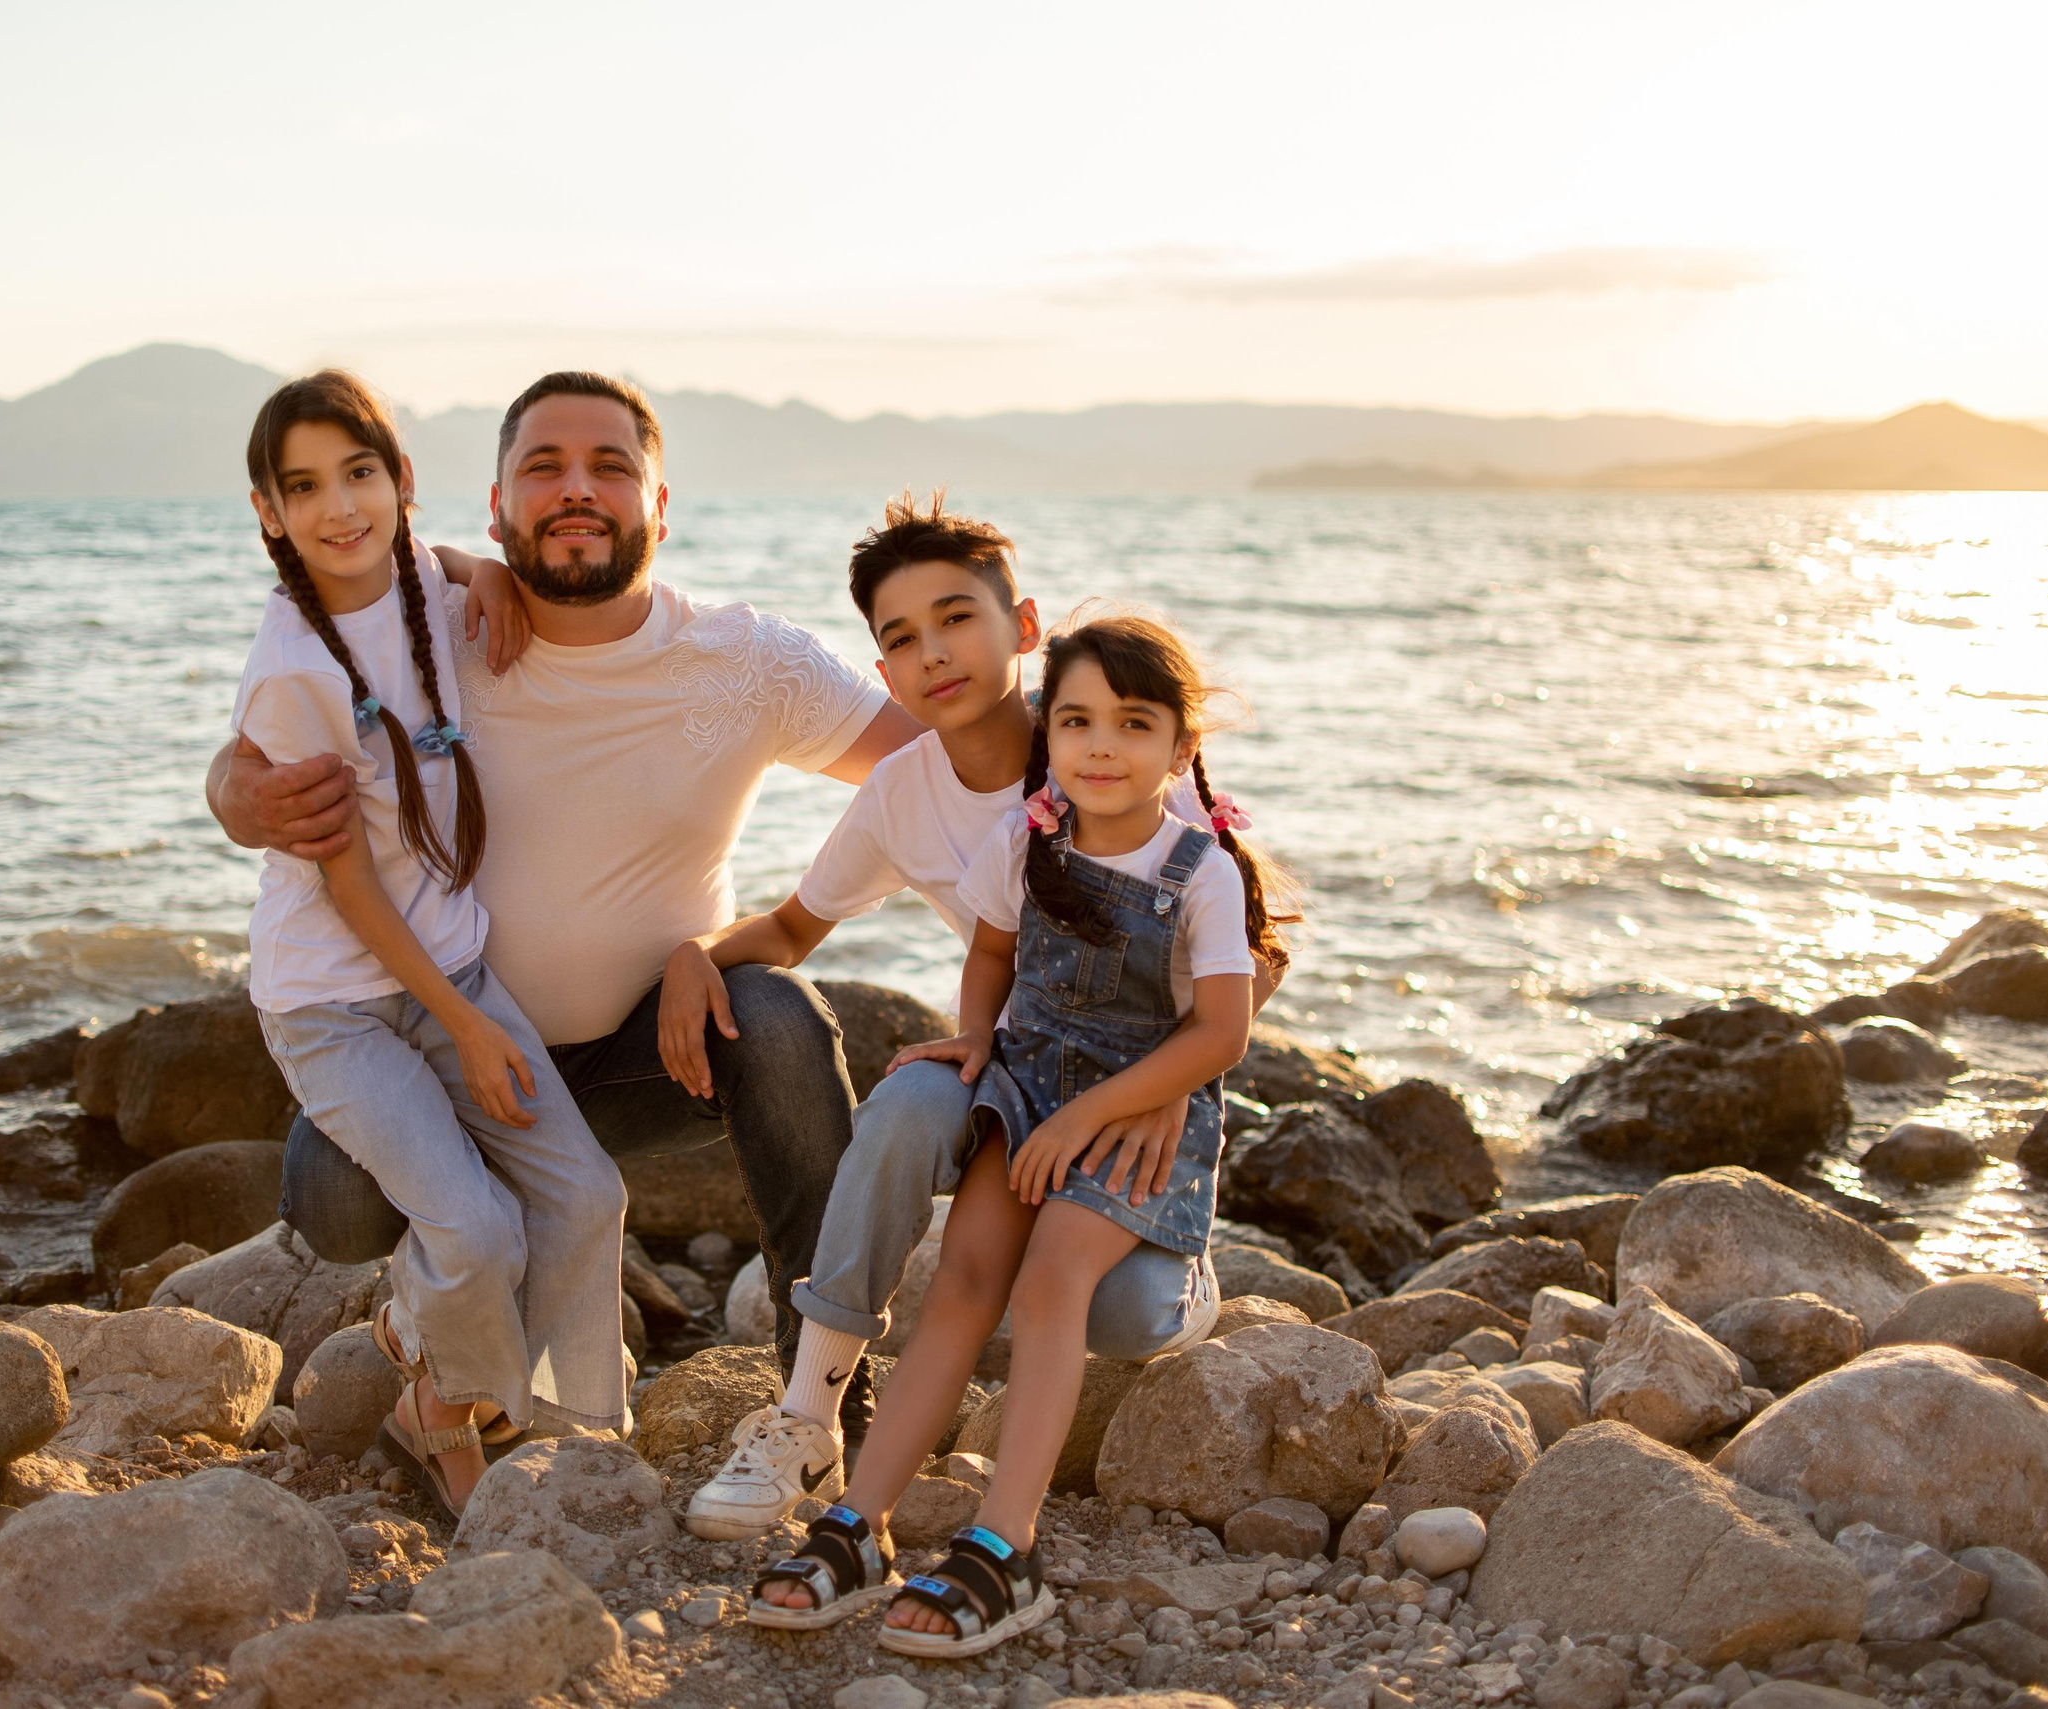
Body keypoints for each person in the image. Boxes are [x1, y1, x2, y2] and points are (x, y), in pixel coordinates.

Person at [206, 372, 923, 1431]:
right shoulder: (430, 625)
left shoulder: (747, 659)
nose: (576, 490)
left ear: (661, 506)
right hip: (440, 1050)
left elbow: (939, 778)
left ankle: (823, 1404)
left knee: (777, 1021)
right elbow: (283, 702)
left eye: (611, 467)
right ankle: (444, 1337)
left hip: (643, 1060)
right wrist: (233, 788)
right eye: (543, 468)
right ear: (493, 511)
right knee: (338, 1199)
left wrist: (754, 938)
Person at [669, 496, 1280, 1540]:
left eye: (956, 617)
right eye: (898, 638)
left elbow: (1252, 952)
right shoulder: (902, 792)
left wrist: (1167, 1083)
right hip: (1011, 1062)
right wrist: (693, 955)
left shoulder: (1100, 742)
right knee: (907, 1103)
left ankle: (1177, 1270)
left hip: (1145, 1077)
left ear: (1023, 627)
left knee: (1126, 1321)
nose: (932, 653)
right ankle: (808, 1413)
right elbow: (792, 924)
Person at [746, 611, 1295, 1658]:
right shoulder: (1027, 837)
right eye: (1077, 720)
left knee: (1049, 1285)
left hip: (1133, 1117)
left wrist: (1091, 1114)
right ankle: (858, 1522)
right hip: (1026, 1086)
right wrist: (975, 1041)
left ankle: (1006, 1545)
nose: (1098, 746)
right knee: (958, 1279)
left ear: (1180, 749)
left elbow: (1221, 1028)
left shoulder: (1200, 871)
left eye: (1133, 725)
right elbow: (994, 951)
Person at [229, 371, 628, 1517]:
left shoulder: (416, 573)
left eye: (359, 474)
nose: (338, 507)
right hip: (338, 1003)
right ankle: (438, 1378)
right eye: (302, 487)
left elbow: (427, 557)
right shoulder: (292, 671)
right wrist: (461, 1022)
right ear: (267, 510)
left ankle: (558, 1418)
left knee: (587, 1196)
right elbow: (346, 880)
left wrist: (483, 565)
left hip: (449, 966)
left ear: (401, 482)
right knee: (474, 1227)